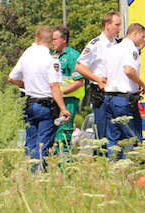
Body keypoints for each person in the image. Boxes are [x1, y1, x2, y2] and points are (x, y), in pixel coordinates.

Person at [7, 26, 71, 171]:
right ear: (50, 41)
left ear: (36, 39)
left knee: (30, 143)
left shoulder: (27, 54)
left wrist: (27, 85)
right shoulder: (51, 60)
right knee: (42, 144)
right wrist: (63, 108)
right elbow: (54, 86)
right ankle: (37, 175)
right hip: (46, 106)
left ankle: (28, 174)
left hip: (29, 104)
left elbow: (11, 78)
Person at [76, 11, 122, 141]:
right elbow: (79, 66)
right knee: (103, 136)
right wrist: (98, 79)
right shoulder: (96, 44)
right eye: (117, 25)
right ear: (107, 25)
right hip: (102, 95)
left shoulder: (118, 44)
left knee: (118, 135)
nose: (119, 28)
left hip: (117, 94)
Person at [102, 23, 145, 160]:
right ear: (135, 34)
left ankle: (114, 173)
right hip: (124, 101)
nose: (143, 41)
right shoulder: (130, 49)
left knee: (113, 141)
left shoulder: (113, 49)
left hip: (109, 99)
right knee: (133, 138)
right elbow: (128, 70)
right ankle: (131, 175)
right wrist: (142, 84)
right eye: (143, 37)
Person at [51, 26, 85, 153]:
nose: (52, 42)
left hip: (69, 100)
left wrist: (60, 92)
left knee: (64, 135)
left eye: (55, 39)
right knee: (54, 136)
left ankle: (65, 168)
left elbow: (79, 82)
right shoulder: (53, 56)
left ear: (64, 39)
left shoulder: (73, 56)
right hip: (56, 100)